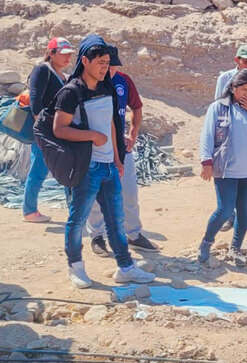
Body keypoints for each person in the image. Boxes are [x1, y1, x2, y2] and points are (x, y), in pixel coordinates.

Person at [53, 35, 155, 288]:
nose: (105, 67)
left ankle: (126, 267)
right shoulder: (71, 92)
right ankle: (75, 266)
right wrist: (91, 136)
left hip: (109, 165)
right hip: (86, 167)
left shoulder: (107, 87)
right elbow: (59, 129)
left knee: (115, 220)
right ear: (84, 61)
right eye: (100, 62)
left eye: (108, 62)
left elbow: (112, 123)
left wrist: (118, 157)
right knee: (78, 220)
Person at [85, 45, 158, 256]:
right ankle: (97, 236)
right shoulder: (87, 83)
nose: (111, 70)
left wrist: (133, 133)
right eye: (107, 66)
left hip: (122, 147)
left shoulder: (123, 81)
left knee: (129, 193)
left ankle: (134, 234)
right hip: (96, 148)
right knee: (96, 194)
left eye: (113, 66)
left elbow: (137, 107)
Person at [198, 69, 247, 268]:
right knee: (224, 210)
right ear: (233, 88)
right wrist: (206, 162)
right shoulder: (218, 108)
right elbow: (207, 135)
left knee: (246, 211)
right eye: (243, 90)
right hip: (226, 170)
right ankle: (206, 243)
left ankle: (235, 248)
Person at [23, 37, 74, 223]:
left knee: (65, 169)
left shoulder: (63, 76)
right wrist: (42, 129)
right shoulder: (42, 69)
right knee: (38, 169)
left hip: (57, 130)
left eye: (70, 54)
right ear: (51, 53)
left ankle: (73, 209)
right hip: (45, 131)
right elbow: (36, 101)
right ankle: (29, 211)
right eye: (64, 54)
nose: (68, 58)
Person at [213, 44, 247, 232]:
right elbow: (218, 103)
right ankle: (229, 216)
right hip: (227, 131)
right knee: (229, 175)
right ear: (237, 60)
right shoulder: (225, 78)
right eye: (246, 61)